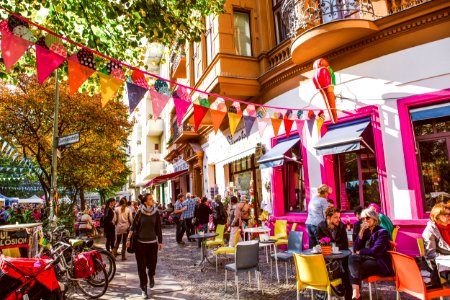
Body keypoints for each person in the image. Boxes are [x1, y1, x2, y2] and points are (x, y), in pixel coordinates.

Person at [348, 209, 393, 300]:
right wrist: (360, 234)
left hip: (378, 261)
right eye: (363, 219)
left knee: (351, 271)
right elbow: (355, 248)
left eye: (367, 218)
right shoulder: (365, 231)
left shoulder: (382, 232)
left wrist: (361, 252)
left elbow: (376, 251)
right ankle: (356, 292)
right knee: (352, 259)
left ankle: (353, 294)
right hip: (365, 259)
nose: (365, 220)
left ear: (374, 218)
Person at [127, 193, 163, 299]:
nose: (153, 200)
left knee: (152, 265)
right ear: (145, 202)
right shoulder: (139, 212)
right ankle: (144, 288)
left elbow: (158, 228)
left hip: (152, 244)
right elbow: (133, 227)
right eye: (150, 199)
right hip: (140, 244)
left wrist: (160, 241)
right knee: (141, 267)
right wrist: (128, 239)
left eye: (152, 198)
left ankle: (151, 275)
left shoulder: (156, 212)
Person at [317, 206, 351, 300]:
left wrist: (331, 246)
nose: (338, 220)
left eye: (339, 217)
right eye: (336, 217)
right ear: (328, 217)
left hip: (341, 255)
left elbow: (345, 244)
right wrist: (333, 247)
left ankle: (348, 295)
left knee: (347, 269)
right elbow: (319, 243)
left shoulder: (341, 225)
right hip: (326, 257)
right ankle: (323, 292)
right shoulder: (320, 226)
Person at [422, 203, 450, 281]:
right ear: (437, 216)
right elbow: (430, 254)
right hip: (444, 266)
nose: (449, 216)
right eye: (446, 215)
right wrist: (446, 258)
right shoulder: (430, 231)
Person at [305, 184, 332, 248]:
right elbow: (326, 214)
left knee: (312, 245)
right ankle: (321, 258)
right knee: (320, 244)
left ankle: (311, 258)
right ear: (325, 192)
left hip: (309, 223)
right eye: (328, 193)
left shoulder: (313, 198)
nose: (328, 195)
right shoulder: (323, 200)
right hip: (317, 224)